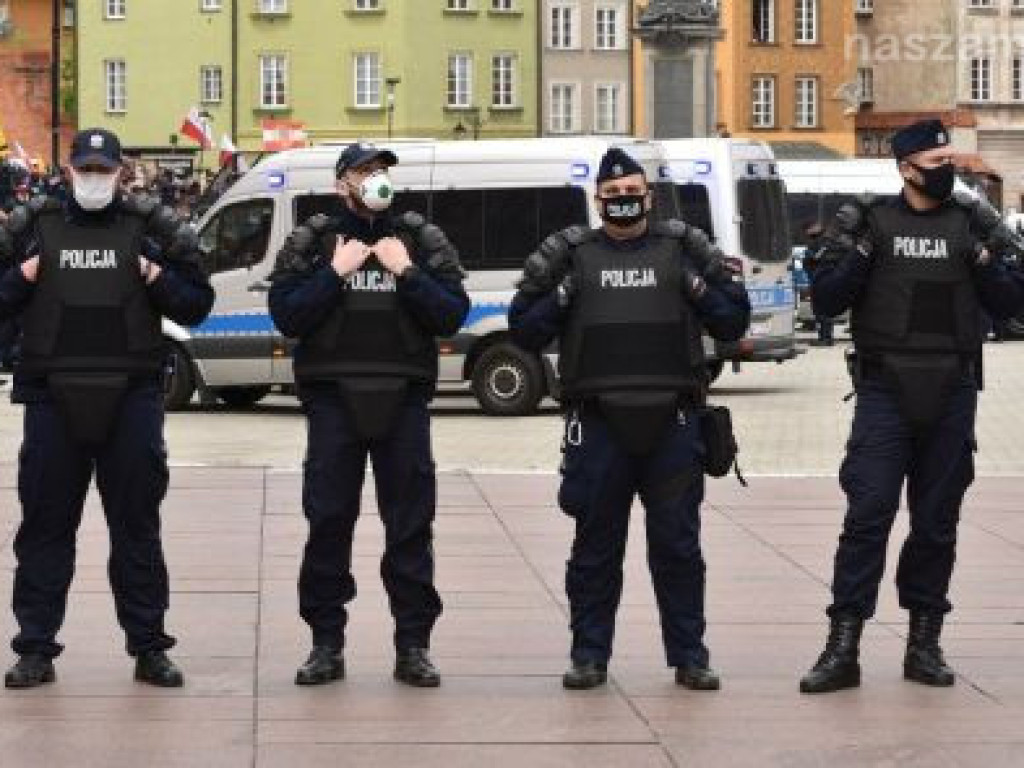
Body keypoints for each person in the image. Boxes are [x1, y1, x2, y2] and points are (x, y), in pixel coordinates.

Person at [509, 147, 751, 691]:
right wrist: (565, 294)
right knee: (595, 550)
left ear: (650, 196)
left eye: (632, 193)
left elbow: (734, 320)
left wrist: (696, 287)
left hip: (674, 424)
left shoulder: (684, 248)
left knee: (678, 549)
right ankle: (589, 655)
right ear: (597, 200)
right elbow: (523, 329)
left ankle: (690, 655)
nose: (623, 201)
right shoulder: (569, 256)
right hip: (597, 426)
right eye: (612, 195)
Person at [799, 119, 1024, 694]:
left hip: (951, 390)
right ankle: (842, 647)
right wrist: (862, 256)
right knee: (867, 516)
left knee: (936, 523)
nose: (948, 167)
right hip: (884, 392)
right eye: (937, 159)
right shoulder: (870, 221)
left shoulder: (973, 222)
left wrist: (982, 262)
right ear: (906, 168)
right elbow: (825, 303)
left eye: (950, 158)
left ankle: (924, 644)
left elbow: (1011, 306)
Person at [0, 128, 215, 689]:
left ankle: (149, 647)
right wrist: (20, 280)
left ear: (121, 172)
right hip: (51, 396)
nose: (94, 178)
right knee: (45, 529)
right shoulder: (33, 227)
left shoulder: (150, 229)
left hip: (132, 398)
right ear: (69, 170)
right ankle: (35, 650)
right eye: (85, 168)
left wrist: (155, 274)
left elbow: (197, 304)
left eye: (104, 169)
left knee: (137, 529)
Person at [269, 142, 470, 688]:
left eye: (381, 171)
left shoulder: (419, 238)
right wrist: (334, 273)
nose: (375, 179)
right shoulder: (312, 241)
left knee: (410, 527)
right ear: (342, 184)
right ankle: (326, 644)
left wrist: (408, 274)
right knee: (328, 523)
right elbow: (287, 316)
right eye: (364, 171)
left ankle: (413, 646)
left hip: (402, 400)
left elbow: (451, 315)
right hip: (333, 400)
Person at [802, 221, 834, 346]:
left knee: (821, 311)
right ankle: (825, 337)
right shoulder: (824, 243)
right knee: (821, 311)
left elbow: (815, 257)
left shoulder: (819, 243)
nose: (806, 232)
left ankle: (825, 338)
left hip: (820, 281)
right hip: (822, 280)